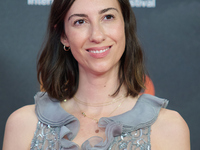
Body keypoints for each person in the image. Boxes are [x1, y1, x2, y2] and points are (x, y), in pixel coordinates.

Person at [3, 0, 190, 149]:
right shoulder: (23, 124)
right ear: (64, 36)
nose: (97, 35)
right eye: (80, 21)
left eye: (108, 17)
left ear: (124, 24)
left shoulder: (168, 127)